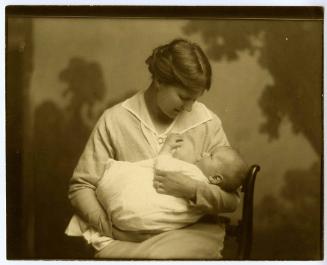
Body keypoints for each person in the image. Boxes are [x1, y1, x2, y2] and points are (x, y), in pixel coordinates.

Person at [67, 39, 241, 259]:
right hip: (122, 235)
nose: (188, 109)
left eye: (194, 100)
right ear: (159, 80)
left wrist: (192, 189)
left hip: (189, 233)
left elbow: (231, 200)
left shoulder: (207, 123)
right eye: (183, 97)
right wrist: (110, 228)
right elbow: (81, 186)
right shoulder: (116, 120)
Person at [93, 133, 248, 234]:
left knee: (123, 182)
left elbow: (163, 166)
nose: (204, 153)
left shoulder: (195, 174)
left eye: (211, 156)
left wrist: (167, 148)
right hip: (133, 224)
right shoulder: (204, 202)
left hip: (123, 208)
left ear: (216, 179)